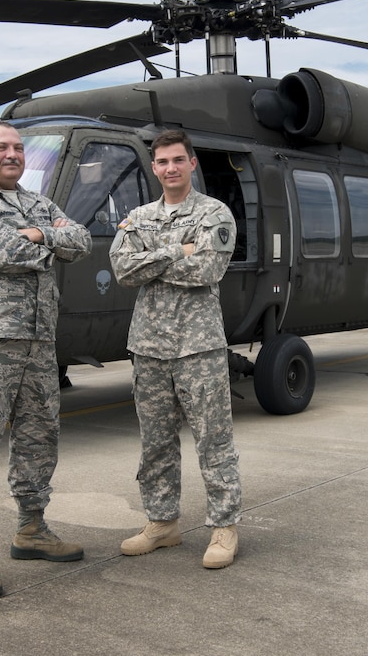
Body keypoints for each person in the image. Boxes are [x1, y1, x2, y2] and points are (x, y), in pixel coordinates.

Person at [0, 120, 92, 598]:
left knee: (39, 438)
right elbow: (1, 253)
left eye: (18, 148)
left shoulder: (36, 203)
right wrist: (50, 239)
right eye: (0, 147)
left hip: (38, 345)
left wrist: (35, 233)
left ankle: (31, 529)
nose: (12, 154)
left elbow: (83, 242)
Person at [109, 129, 242, 569]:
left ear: (192, 163)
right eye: (162, 161)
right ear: (154, 167)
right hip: (148, 347)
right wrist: (178, 249)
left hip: (197, 346)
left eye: (178, 160)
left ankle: (223, 525)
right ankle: (162, 522)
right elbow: (122, 268)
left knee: (213, 440)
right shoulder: (140, 215)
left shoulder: (215, 213)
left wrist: (153, 257)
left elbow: (208, 268)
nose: (170, 168)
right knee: (156, 443)